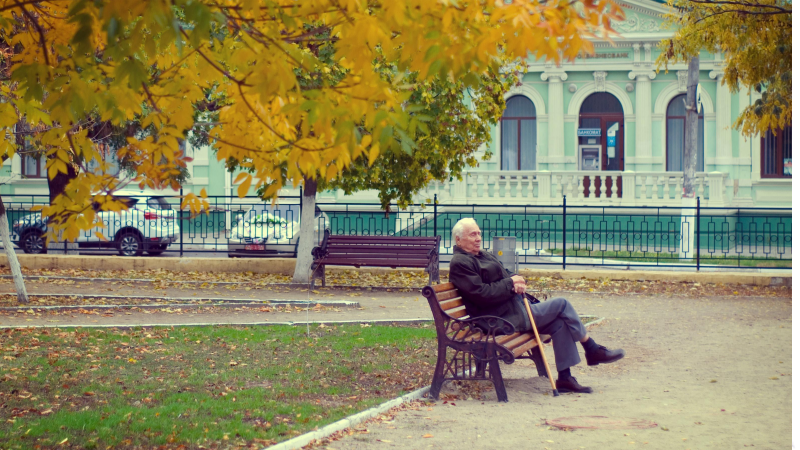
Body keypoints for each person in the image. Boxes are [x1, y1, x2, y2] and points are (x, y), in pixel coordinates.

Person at [447, 217, 625, 394]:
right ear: (458, 239)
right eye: (472, 235)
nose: (478, 238)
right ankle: (592, 349)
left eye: (479, 233)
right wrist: (510, 284)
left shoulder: (482, 255)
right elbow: (481, 294)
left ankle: (565, 378)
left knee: (559, 323)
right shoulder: (461, 263)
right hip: (497, 319)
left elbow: (505, 273)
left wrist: (516, 279)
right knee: (562, 304)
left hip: (511, 310)